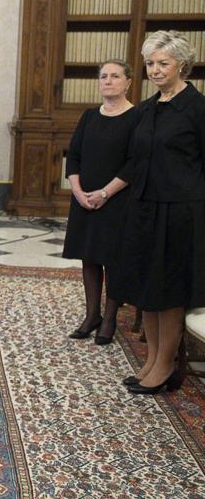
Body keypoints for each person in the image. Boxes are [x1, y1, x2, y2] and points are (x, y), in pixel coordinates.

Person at [114, 30, 205, 394]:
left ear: (181, 64)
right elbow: (137, 160)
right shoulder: (148, 108)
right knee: (147, 290)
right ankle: (151, 360)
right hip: (145, 209)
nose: (154, 69)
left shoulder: (197, 108)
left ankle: (165, 366)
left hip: (180, 212)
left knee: (168, 293)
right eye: (150, 63)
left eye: (162, 63)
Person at [62, 60, 137, 345]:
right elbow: (74, 156)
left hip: (117, 199)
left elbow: (134, 163)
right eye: (103, 76)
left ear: (128, 82)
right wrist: (79, 192)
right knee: (89, 257)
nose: (108, 80)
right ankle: (91, 315)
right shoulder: (89, 116)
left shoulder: (136, 117)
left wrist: (105, 193)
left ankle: (109, 319)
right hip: (84, 200)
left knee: (112, 260)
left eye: (115, 76)